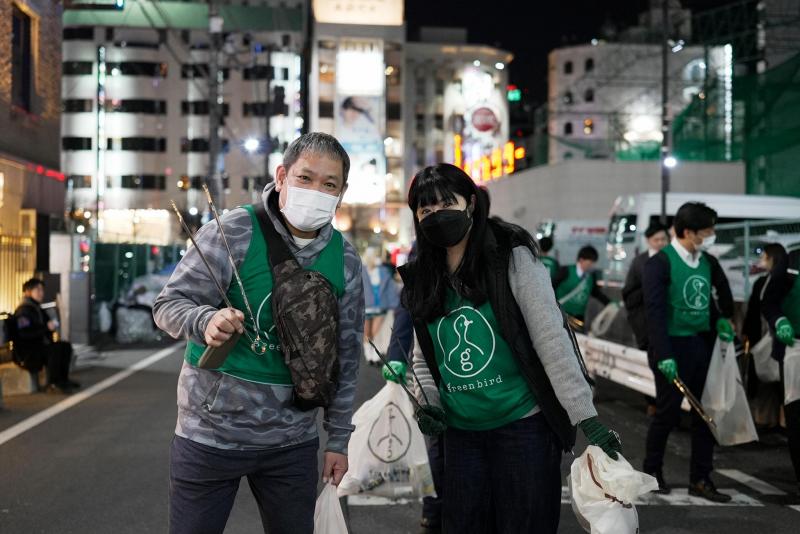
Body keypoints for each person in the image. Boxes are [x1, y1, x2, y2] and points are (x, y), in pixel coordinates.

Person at [153, 133, 364, 534]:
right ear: (282, 176)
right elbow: (167, 305)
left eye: (329, 184)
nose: (316, 190)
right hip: (208, 436)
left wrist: (338, 439)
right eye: (305, 178)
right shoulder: (232, 230)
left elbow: (347, 355)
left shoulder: (346, 259)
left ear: (342, 193)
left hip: (293, 443)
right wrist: (205, 321)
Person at [397, 163, 621, 533]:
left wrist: (585, 414)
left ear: (470, 203)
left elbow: (550, 339)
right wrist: (428, 404)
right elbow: (423, 360)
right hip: (461, 435)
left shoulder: (511, 258)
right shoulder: (423, 276)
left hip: (523, 429)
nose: (435, 216)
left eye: (445, 204)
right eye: (425, 210)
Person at [642, 201, 735, 502]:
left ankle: (701, 478)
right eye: (706, 231)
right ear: (688, 232)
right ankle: (652, 472)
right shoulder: (660, 263)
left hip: (700, 345)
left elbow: (717, 296)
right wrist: (663, 354)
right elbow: (654, 313)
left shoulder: (707, 261)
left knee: (705, 414)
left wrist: (720, 317)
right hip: (671, 347)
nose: (710, 236)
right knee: (667, 415)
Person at [743, 243, 800, 496]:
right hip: (795, 346)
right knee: (797, 413)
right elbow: (768, 301)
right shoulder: (792, 263)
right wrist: (780, 320)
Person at [13, 278, 78, 394]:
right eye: (37, 290)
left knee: (65, 346)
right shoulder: (23, 311)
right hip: (27, 353)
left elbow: (46, 325)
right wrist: (46, 328)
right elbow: (24, 333)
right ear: (28, 292)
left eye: (42, 290)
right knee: (55, 349)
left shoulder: (37, 308)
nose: (41, 293)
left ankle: (63, 380)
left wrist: (50, 327)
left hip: (38, 347)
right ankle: (53, 383)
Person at [623, 223, 670, 350]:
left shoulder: (671, 259)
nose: (661, 243)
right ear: (648, 240)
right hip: (644, 317)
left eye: (663, 239)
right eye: (656, 240)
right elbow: (629, 291)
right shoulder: (639, 262)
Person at [553, 245, 612, 325]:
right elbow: (552, 286)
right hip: (560, 315)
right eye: (590, 263)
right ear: (581, 260)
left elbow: (596, 292)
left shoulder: (591, 277)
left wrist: (609, 303)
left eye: (593, 263)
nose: (592, 266)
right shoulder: (566, 271)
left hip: (579, 318)